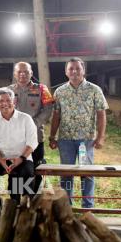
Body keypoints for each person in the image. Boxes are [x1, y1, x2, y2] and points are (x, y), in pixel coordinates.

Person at [49, 57, 108, 208]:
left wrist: (100, 137)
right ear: (66, 71)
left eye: (77, 68)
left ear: (83, 70)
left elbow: (101, 114)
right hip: (65, 140)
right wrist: (52, 136)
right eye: (71, 68)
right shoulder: (60, 92)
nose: (74, 71)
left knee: (86, 173)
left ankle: (87, 206)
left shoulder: (94, 90)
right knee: (66, 174)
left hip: (86, 140)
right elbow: (56, 115)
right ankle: (66, 205)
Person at [0, 87, 38, 217]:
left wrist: (20, 158)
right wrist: (2, 161)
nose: (5, 103)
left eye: (8, 100)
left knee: (25, 172)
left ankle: (23, 208)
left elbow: (32, 142)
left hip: (22, 157)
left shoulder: (26, 118)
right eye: (1, 101)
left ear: (14, 102)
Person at [8, 62, 54, 192]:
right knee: (15, 168)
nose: (23, 74)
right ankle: (15, 200)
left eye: (26, 72)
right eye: (19, 72)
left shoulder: (42, 89)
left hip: (35, 136)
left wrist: (33, 123)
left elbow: (48, 109)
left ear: (31, 73)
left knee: (35, 168)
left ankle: (32, 198)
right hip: (14, 137)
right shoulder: (8, 90)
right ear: (15, 74)